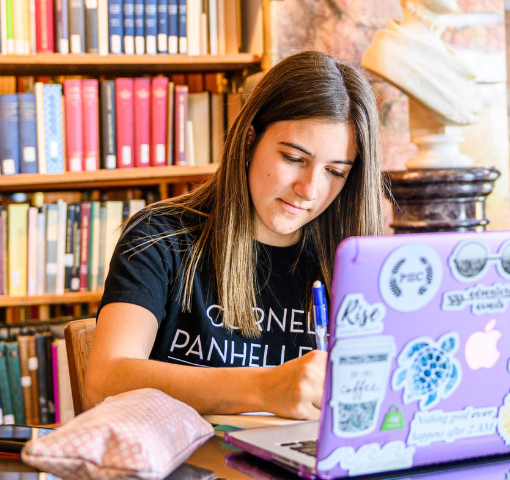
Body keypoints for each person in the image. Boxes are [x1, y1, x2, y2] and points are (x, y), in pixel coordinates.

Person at [84, 51, 385, 420]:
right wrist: (264, 388)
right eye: (293, 158)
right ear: (248, 140)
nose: (309, 189)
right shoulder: (159, 237)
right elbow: (104, 379)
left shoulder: (355, 262)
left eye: (334, 172)